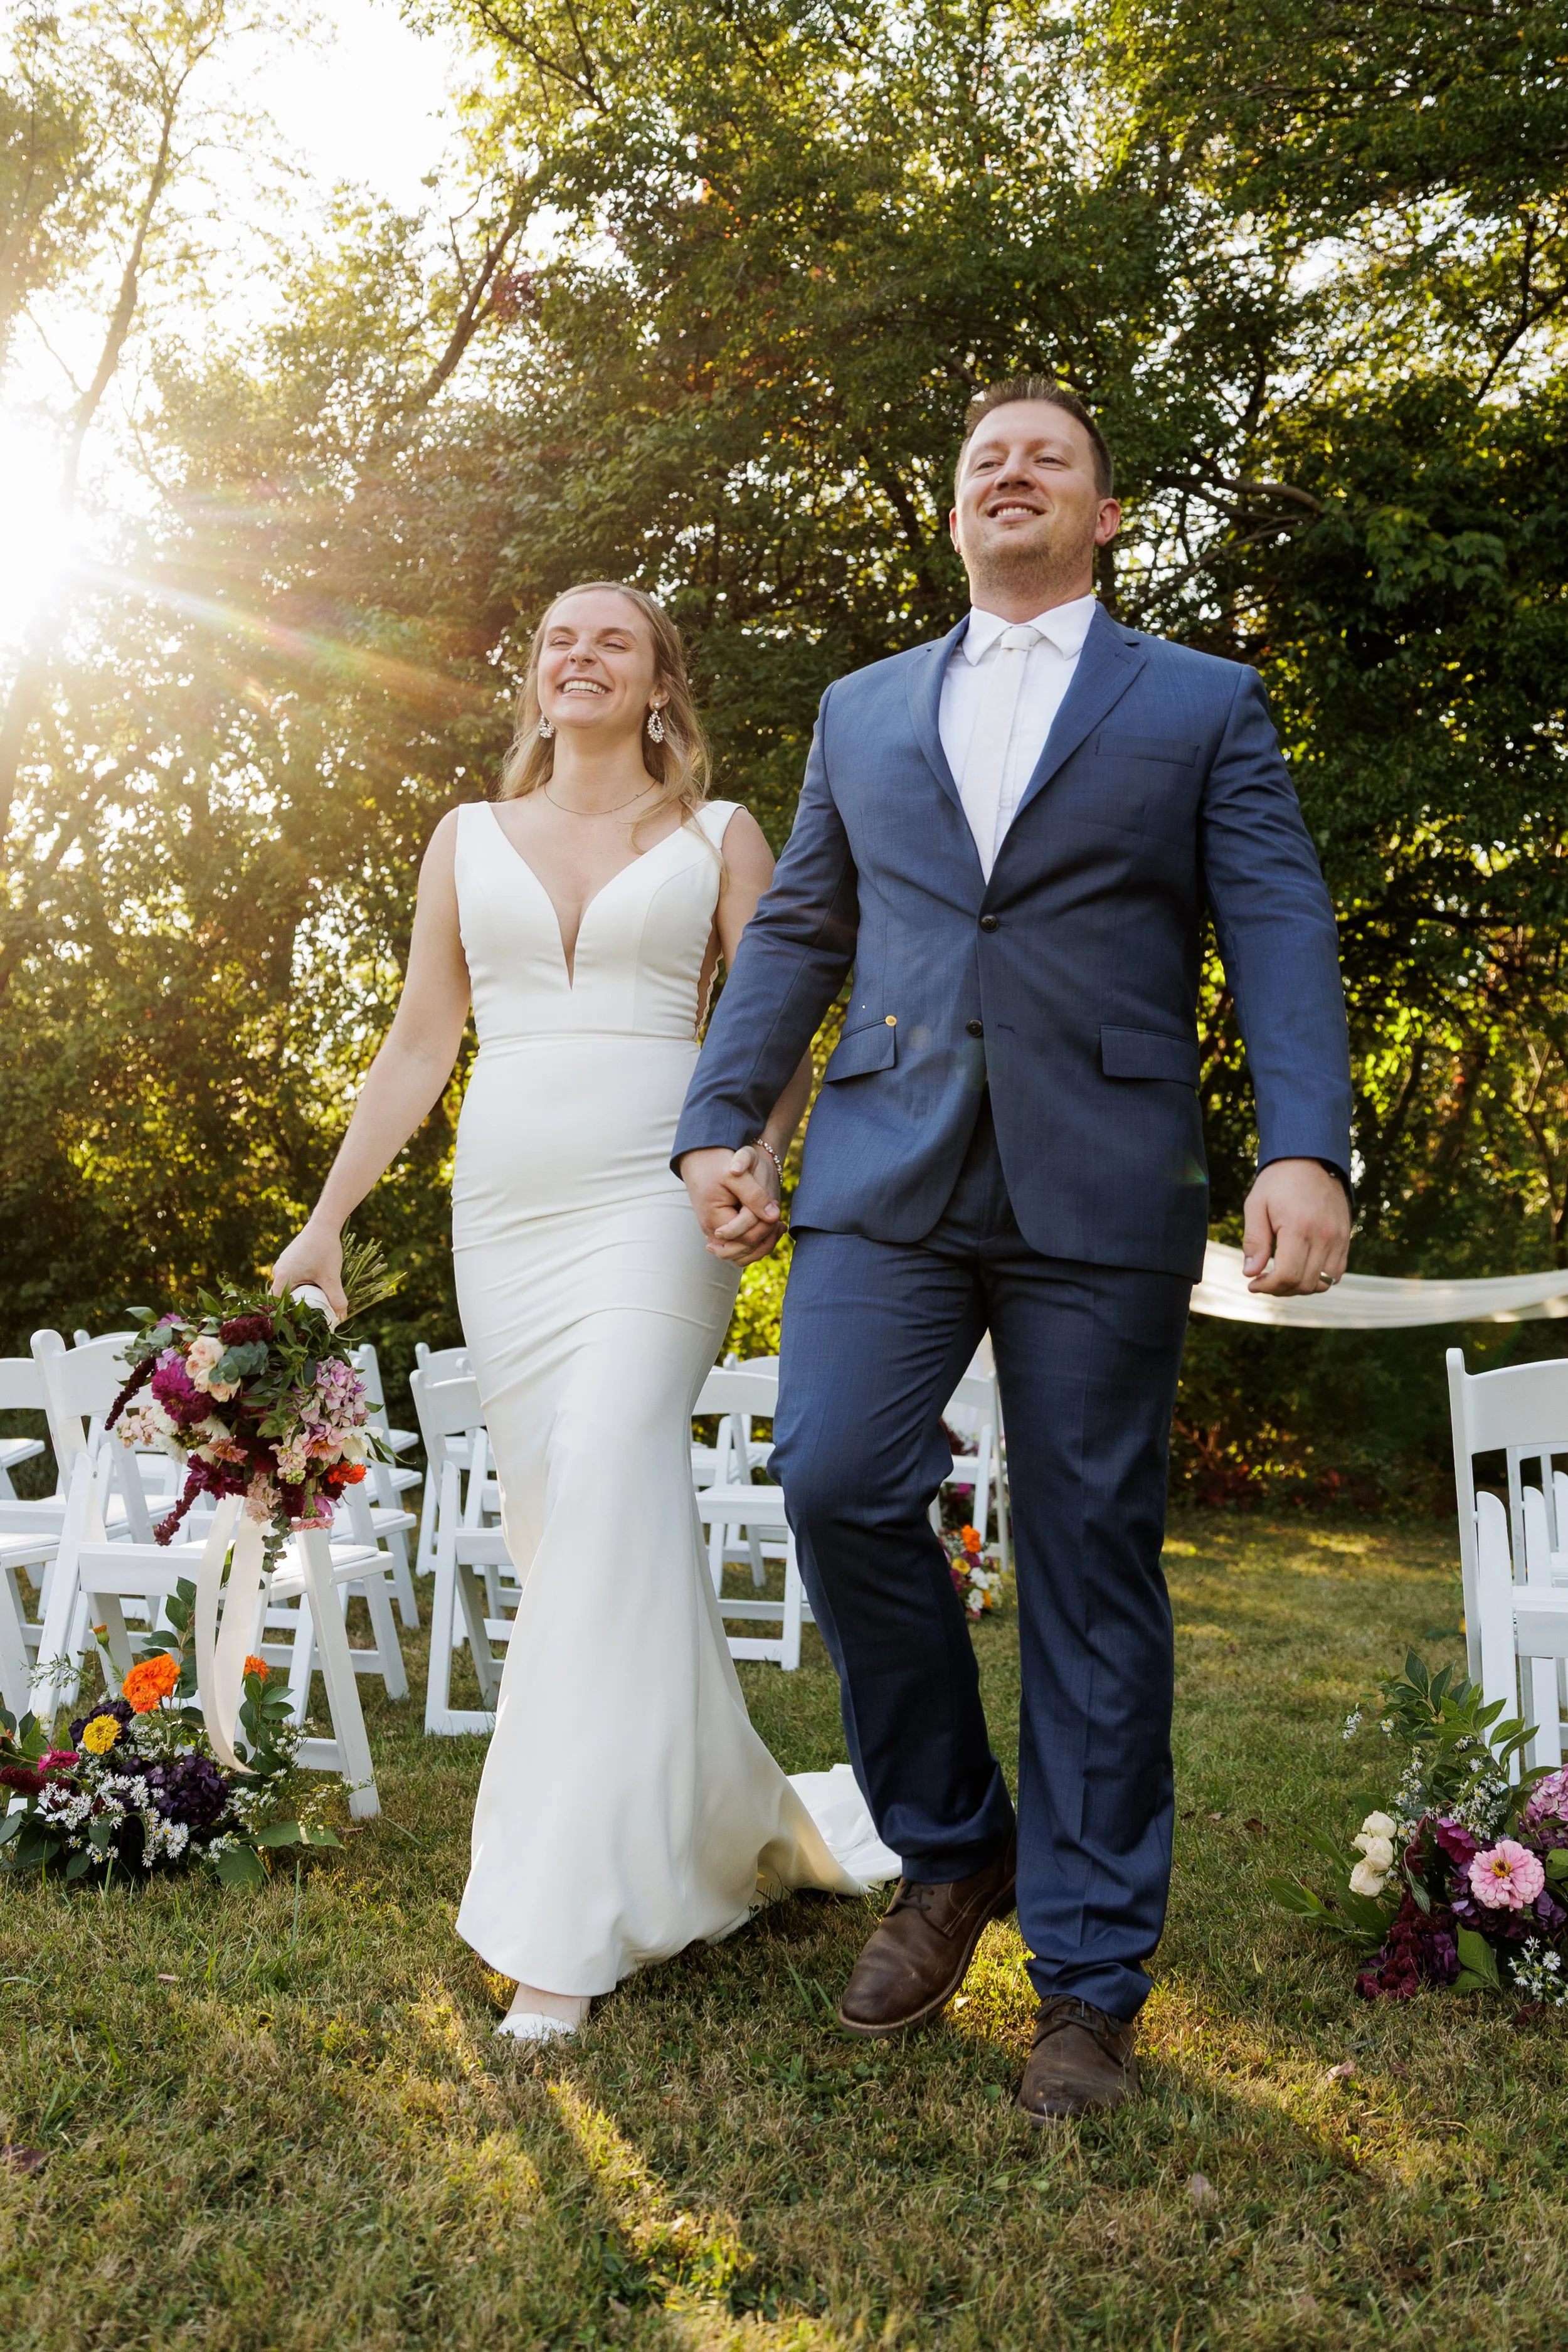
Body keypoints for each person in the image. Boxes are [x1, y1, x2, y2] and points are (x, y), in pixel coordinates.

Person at [674, 380, 1353, 2120]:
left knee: (1085, 1555)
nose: (1008, 471)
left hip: (1101, 1177)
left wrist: (1300, 1143)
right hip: (886, 1166)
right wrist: (719, 1114)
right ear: (954, 507)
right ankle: (952, 1842)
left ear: (1103, 514)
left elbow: (1274, 917)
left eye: (1047, 455)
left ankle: (1090, 1970)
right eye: (982, 455)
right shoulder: (864, 705)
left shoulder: (1201, 701)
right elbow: (808, 919)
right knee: (830, 1473)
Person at [272, 580, 891, 2042]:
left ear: (658, 680)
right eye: (559, 638)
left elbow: (783, 1006)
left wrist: (754, 1154)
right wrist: (324, 1218)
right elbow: (423, 1042)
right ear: (534, 680)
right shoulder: (463, 839)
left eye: (612, 638)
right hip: (503, 1213)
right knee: (574, 1532)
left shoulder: (716, 834)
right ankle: (717, 1817)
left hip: (656, 1202)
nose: (581, 655)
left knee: (614, 1469)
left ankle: (556, 1932)